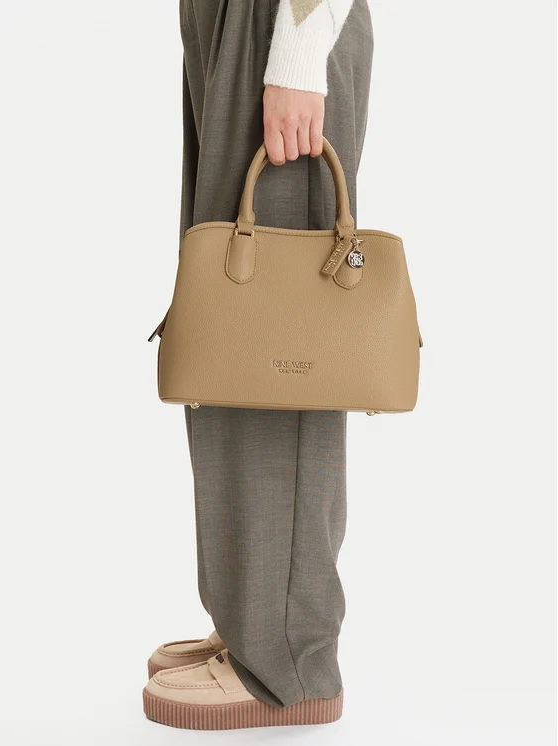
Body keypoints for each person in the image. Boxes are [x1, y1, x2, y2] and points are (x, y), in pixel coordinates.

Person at [143, 0, 373, 730]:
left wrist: (299, 48)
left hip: (282, 19)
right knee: (230, 331)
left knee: (278, 348)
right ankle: (252, 622)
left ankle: (286, 663)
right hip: (233, 22)